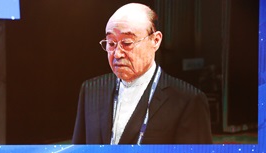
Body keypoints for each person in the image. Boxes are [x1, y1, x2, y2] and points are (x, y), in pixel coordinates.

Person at [72, 2, 213, 145]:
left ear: (155, 41)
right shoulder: (91, 90)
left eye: (127, 43)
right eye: (111, 43)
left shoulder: (187, 99)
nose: (117, 53)